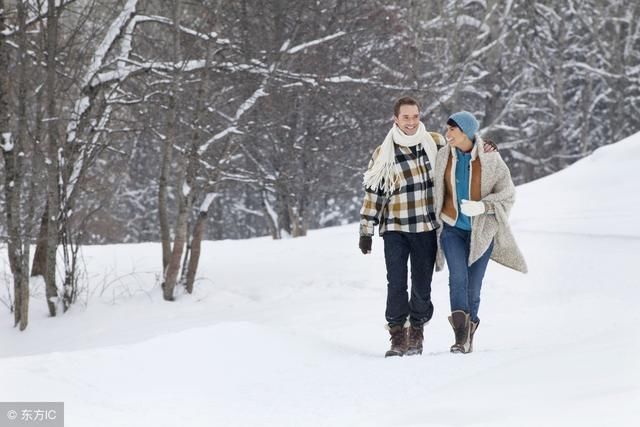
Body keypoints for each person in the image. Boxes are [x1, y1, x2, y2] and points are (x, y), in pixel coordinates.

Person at [358, 98, 495, 358]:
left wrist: (485, 146)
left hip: (426, 227)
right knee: (396, 283)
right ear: (395, 119)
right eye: (405, 117)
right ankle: (398, 335)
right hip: (395, 227)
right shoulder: (383, 152)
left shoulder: (435, 143)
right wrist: (366, 230)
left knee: (422, 284)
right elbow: (373, 193)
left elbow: (465, 148)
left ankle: (417, 330)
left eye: (415, 116)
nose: (411, 122)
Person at [433, 111, 528, 354]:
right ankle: (460, 337)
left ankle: (468, 333)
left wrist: (483, 206)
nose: (447, 134)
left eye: (452, 130)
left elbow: (508, 193)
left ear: (465, 132)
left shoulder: (490, 158)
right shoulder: (443, 154)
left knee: (473, 286)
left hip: (482, 231)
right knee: (458, 278)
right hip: (452, 229)